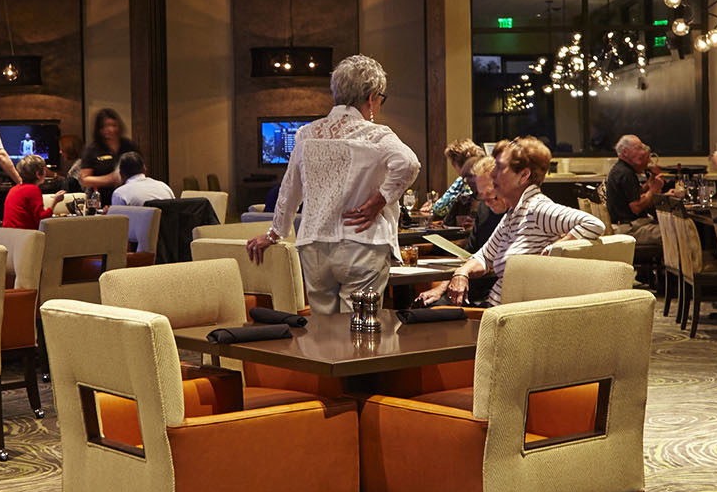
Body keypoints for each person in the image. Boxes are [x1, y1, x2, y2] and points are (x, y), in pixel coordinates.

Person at [247, 54, 419, 315]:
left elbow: (290, 189)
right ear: (372, 97)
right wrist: (380, 200)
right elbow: (409, 163)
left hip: (314, 246)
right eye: (380, 98)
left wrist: (275, 234)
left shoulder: (306, 134)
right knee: (360, 328)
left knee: (323, 330)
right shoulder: (376, 135)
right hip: (362, 243)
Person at [430, 135, 604, 307]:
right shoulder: (513, 214)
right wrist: (462, 272)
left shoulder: (537, 208)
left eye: (500, 167)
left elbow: (593, 224)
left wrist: (554, 249)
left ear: (524, 175)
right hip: (494, 309)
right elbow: (484, 256)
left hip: (509, 315)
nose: (493, 173)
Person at [604, 134, 667, 245]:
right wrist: (653, 190)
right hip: (627, 230)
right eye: (638, 149)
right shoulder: (625, 173)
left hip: (626, 225)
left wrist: (649, 184)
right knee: (674, 232)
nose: (642, 153)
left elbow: (632, 195)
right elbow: (636, 208)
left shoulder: (620, 169)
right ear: (625, 152)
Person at [75, 108, 139, 205]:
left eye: (114, 125)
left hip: (130, 197)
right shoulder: (92, 149)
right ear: (99, 129)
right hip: (103, 200)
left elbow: (141, 168)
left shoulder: (129, 145)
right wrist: (110, 178)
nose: (110, 130)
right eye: (105, 126)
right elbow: (85, 180)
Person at [430, 139, 483, 222]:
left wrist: (432, 206)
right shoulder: (484, 177)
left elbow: (438, 209)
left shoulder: (463, 181)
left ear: (455, 163)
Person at [109, 152, 175, 206]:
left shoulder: (120, 194)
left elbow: (119, 218)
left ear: (121, 173)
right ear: (144, 169)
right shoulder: (165, 187)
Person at [2, 155, 49, 228]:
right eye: (44, 169)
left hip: (9, 232)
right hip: (24, 233)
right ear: (38, 174)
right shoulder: (33, 190)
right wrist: (54, 203)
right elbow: (41, 220)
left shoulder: (13, 189)